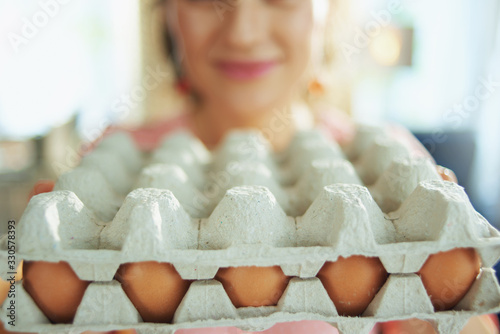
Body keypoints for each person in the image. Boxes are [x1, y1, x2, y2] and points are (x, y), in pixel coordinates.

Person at [16, 0, 499, 333]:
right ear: (167, 14)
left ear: (325, 12)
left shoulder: (390, 158)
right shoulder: (112, 156)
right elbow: (34, 305)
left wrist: (446, 282)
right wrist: (29, 287)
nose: (242, 33)